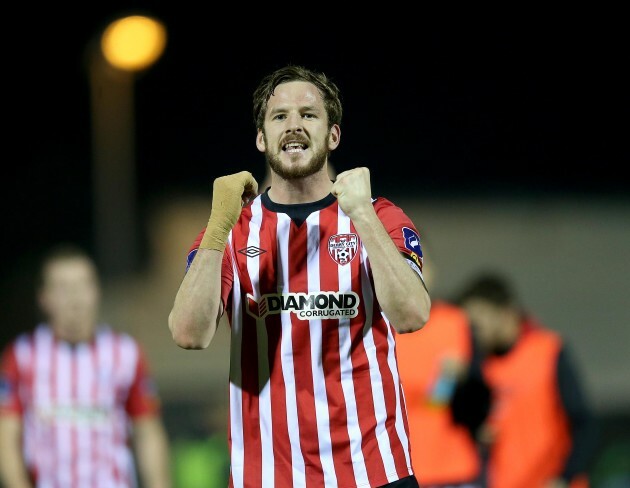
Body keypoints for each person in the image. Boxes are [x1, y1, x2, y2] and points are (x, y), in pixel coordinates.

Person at [168, 64, 432, 488]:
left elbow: (412, 314)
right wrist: (218, 226)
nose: (294, 126)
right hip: (268, 477)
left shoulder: (380, 217)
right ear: (261, 138)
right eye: (279, 117)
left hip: (374, 473)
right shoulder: (231, 229)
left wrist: (361, 212)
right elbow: (188, 333)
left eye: (308, 115)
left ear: (333, 135)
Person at [0, 243, 171, 488]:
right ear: (44, 298)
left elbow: (147, 431)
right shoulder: (22, 356)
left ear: (96, 291)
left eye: (82, 285)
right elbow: (7, 439)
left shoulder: (125, 354)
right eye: (63, 288)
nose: (75, 298)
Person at [455, 272, 599, 488]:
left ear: (506, 313)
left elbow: (583, 423)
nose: (473, 333)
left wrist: (565, 478)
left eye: (478, 324)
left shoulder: (549, 351)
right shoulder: (476, 367)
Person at [396, 248, 489, 488]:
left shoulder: (456, 323)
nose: (414, 274)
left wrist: (463, 378)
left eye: (420, 265)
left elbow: (481, 396)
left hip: (453, 470)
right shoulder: (371, 327)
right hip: (392, 470)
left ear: (433, 271)